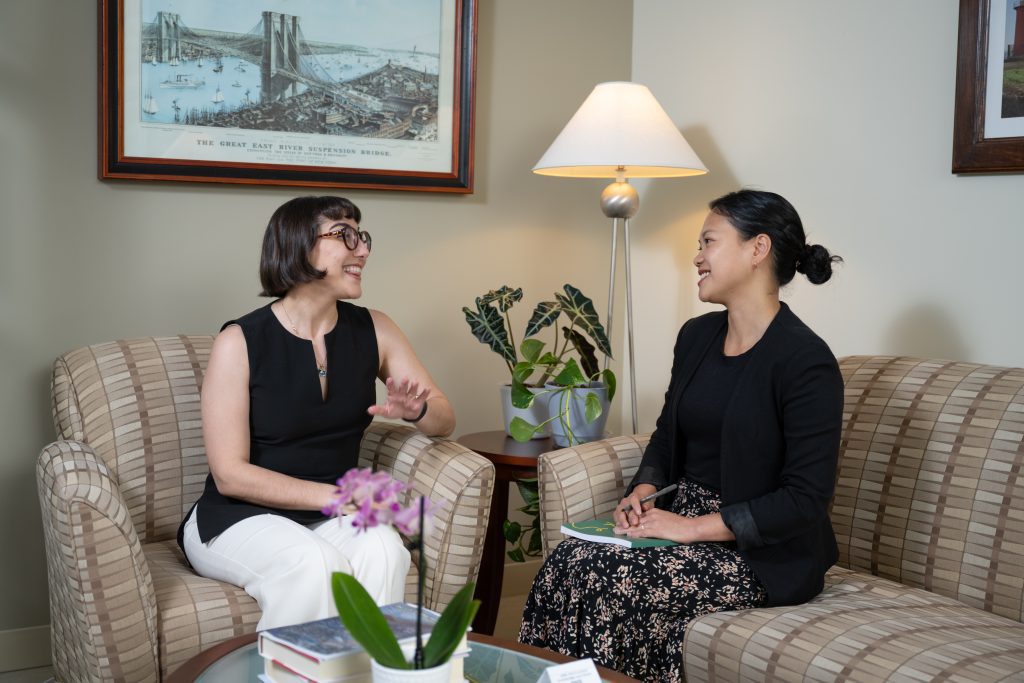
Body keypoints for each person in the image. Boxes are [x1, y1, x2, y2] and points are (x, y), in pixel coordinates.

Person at [518, 189, 844, 682]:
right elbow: (668, 434)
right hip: (679, 520)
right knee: (570, 559)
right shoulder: (696, 337)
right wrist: (644, 491)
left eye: (709, 241)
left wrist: (689, 528)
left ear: (758, 249)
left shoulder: (806, 362)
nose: (697, 257)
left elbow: (804, 500)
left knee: (613, 578)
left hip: (759, 551)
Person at [177, 195, 455, 631]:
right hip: (235, 516)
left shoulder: (376, 329)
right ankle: (288, 667)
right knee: (313, 563)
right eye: (345, 235)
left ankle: (375, 667)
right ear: (298, 246)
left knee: (385, 548)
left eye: (362, 236)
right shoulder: (240, 341)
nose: (363, 250)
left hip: (328, 516)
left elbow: (444, 419)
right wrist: (337, 499)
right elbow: (230, 475)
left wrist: (416, 409)